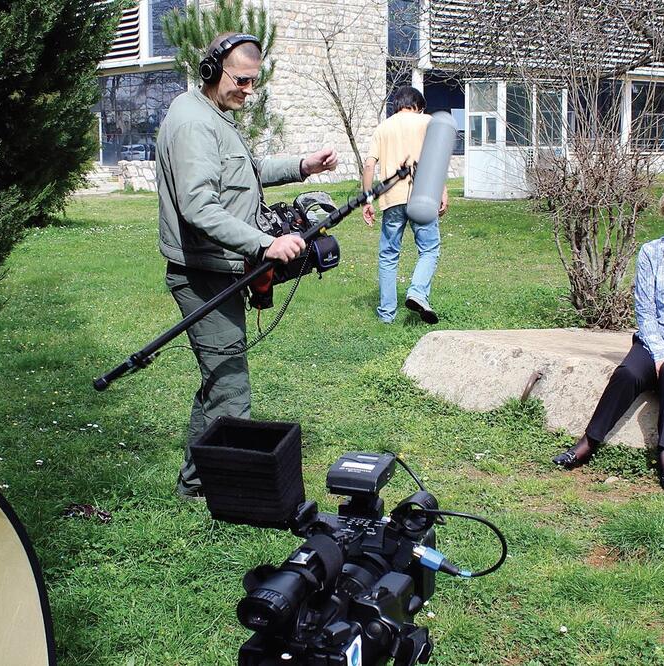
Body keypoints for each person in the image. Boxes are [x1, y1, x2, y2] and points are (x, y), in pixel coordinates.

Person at [157, 32, 338, 498]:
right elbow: (198, 206)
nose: (248, 92)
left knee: (220, 377)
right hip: (203, 274)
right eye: (242, 81)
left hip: (220, 269)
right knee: (230, 387)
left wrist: (302, 166)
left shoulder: (212, 114)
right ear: (213, 70)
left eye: (255, 83)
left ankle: (196, 484)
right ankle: (220, 492)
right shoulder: (194, 123)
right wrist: (264, 244)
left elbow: (246, 170)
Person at [553, 186, 664, 493]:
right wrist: (659, 353)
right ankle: (588, 443)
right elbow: (645, 309)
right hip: (658, 337)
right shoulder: (652, 252)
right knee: (630, 372)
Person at [362, 86, 449, 325]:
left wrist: (368, 200)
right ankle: (417, 293)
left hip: (391, 199)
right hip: (423, 196)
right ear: (419, 106)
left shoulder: (383, 127)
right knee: (429, 249)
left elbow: (369, 165)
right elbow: (437, 159)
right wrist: (443, 191)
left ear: (396, 106)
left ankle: (386, 315)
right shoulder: (427, 122)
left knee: (389, 255)